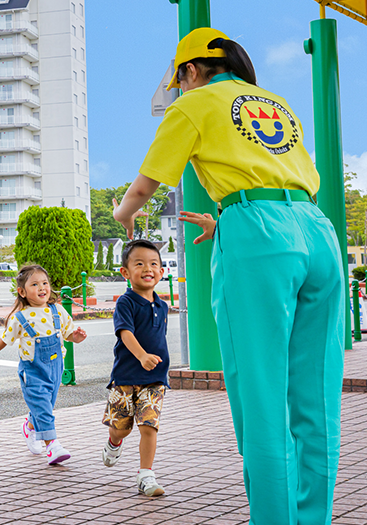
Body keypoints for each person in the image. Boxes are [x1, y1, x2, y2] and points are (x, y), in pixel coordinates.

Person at [112, 27, 344, 525]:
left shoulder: (193, 104)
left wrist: (122, 214)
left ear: (190, 71)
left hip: (256, 234)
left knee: (261, 399)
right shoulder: (274, 102)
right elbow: (276, 182)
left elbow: (146, 184)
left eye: (180, 81)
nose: (179, 91)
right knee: (317, 400)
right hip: (317, 232)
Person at [0, 264, 87, 465]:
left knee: (45, 406)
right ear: (22, 292)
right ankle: (53, 446)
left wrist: (77, 337)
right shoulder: (19, 317)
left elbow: (68, 333)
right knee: (43, 407)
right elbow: (5, 339)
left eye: (45, 283)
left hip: (56, 369)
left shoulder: (56, 311)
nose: (42, 288)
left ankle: (30, 426)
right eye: (35, 284)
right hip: (32, 371)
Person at [101, 239, 170, 498]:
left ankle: (146, 475)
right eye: (139, 264)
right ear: (126, 272)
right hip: (125, 377)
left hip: (154, 378)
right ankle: (114, 441)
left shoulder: (162, 305)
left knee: (148, 425)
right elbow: (125, 333)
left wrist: (153, 362)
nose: (147, 269)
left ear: (162, 272)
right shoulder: (125, 303)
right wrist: (141, 356)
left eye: (154, 264)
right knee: (123, 428)